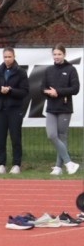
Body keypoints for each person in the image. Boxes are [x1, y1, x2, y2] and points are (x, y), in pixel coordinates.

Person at [0, 47, 30, 174]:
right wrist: (0, 90)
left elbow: (24, 91)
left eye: (9, 57)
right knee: (0, 139)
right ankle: (1, 164)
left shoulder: (21, 73)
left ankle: (16, 164)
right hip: (0, 110)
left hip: (15, 110)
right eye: (5, 57)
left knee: (16, 138)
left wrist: (11, 90)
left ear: (14, 57)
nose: (7, 59)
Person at [42, 44, 80, 175]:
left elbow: (75, 89)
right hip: (51, 108)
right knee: (51, 135)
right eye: (55, 54)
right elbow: (42, 88)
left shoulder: (71, 69)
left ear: (64, 54)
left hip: (65, 108)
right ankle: (69, 163)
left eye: (59, 54)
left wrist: (58, 92)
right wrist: (49, 92)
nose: (57, 56)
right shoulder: (48, 70)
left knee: (62, 136)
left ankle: (58, 167)